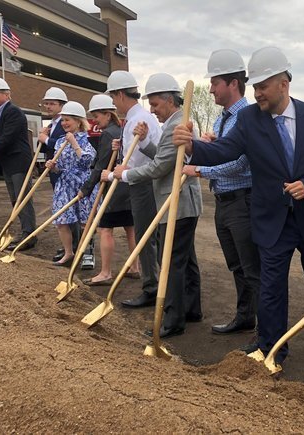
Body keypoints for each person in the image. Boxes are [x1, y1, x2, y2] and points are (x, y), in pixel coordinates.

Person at [173, 46, 304, 364]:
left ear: (284, 83)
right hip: (272, 218)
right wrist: (191, 148)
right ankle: (271, 348)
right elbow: (225, 150)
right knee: (271, 285)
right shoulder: (250, 119)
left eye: (263, 86)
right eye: (254, 87)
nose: (257, 93)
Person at [107, 73, 203, 338]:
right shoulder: (174, 122)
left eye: (156, 104)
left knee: (171, 261)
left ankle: (172, 320)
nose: (152, 110)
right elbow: (164, 157)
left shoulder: (177, 124)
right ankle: (191, 309)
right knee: (186, 260)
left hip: (179, 203)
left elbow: (160, 167)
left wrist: (125, 174)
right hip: (183, 203)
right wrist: (147, 141)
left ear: (170, 100)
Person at [182, 49, 259, 335]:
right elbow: (221, 152)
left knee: (251, 267)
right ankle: (245, 316)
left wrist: (200, 170)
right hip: (224, 202)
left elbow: (241, 164)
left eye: (215, 83)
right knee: (236, 264)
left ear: (233, 83)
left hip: (242, 201)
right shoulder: (221, 119)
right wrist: (208, 145)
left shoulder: (247, 117)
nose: (211, 89)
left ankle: (266, 330)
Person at [103, 71, 161, 308]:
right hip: (140, 181)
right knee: (145, 236)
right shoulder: (135, 119)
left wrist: (117, 173)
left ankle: (151, 288)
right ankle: (153, 284)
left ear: (120, 94)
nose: (113, 103)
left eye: (113, 98)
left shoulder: (139, 119)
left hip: (143, 184)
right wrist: (120, 147)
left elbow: (139, 161)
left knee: (145, 237)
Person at [79, 94, 139, 286]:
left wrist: (86, 189)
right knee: (130, 228)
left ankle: (105, 273)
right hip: (127, 186)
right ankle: (135, 267)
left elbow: (102, 165)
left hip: (114, 188)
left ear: (107, 114)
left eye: (96, 116)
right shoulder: (121, 130)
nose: (94, 120)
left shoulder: (108, 134)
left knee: (105, 228)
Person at [45, 101, 98, 266]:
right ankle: (68, 252)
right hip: (64, 184)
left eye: (67, 120)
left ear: (78, 121)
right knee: (61, 219)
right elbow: (60, 166)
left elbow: (87, 161)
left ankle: (88, 254)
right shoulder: (60, 141)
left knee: (85, 221)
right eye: (62, 120)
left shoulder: (87, 139)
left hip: (82, 183)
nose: (64, 123)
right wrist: (53, 167)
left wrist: (74, 143)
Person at [0, 77, 37, 250]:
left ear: (7, 94)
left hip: (18, 163)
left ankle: (29, 235)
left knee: (22, 199)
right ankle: (26, 231)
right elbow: (3, 136)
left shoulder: (13, 111)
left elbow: (8, 137)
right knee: (16, 200)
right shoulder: (1, 112)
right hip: (9, 163)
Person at [38, 87, 82, 262]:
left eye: (52, 103)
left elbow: (65, 143)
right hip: (56, 171)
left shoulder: (66, 123)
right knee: (63, 211)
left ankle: (76, 245)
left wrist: (46, 140)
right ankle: (68, 245)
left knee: (71, 210)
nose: (48, 106)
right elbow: (48, 148)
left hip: (68, 174)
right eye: (46, 103)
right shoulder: (51, 125)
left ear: (62, 105)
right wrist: (43, 138)